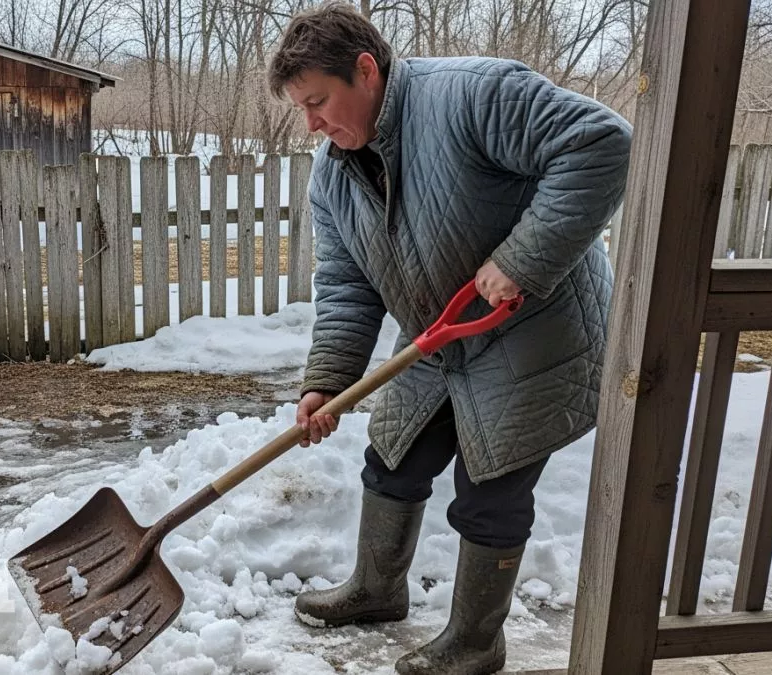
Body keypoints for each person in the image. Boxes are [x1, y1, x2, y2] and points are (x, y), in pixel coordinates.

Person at [265, 3, 632, 674]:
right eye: (303, 110)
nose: (312, 124)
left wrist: (521, 259)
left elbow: (602, 143)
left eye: (318, 101)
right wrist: (328, 381)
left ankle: (475, 641)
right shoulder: (334, 175)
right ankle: (377, 589)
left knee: (488, 486)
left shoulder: (473, 93)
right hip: (443, 335)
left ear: (366, 71)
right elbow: (347, 285)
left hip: (535, 333)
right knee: (393, 456)